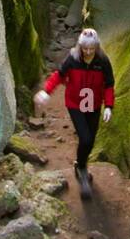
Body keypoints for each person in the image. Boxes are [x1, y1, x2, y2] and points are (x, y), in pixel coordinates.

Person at [35, 28, 114, 200]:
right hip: (75, 104)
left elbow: (109, 84)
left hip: (93, 105)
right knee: (85, 138)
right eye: (85, 48)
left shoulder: (103, 61)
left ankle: (80, 162)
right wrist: (46, 92)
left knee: (91, 139)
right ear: (80, 47)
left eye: (91, 48)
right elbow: (59, 75)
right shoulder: (73, 59)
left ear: (96, 47)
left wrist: (109, 106)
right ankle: (82, 169)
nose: (88, 52)